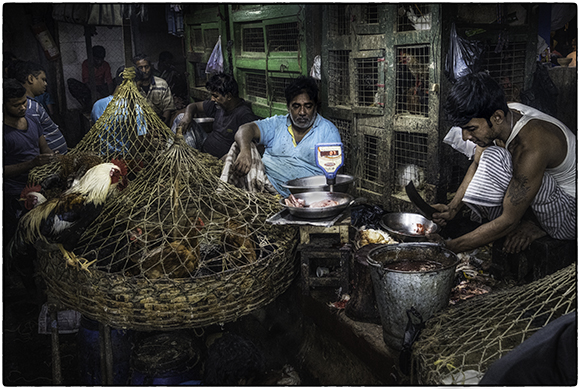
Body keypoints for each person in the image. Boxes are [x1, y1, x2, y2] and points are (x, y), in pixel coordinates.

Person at [429, 72, 576, 254]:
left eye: (471, 129)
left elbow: (509, 220)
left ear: (497, 117)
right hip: (550, 199)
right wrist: (452, 208)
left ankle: (540, 226)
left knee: (500, 159)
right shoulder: (503, 115)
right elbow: (476, 164)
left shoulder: (532, 145)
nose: (465, 136)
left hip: (571, 215)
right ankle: (529, 220)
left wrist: (450, 247)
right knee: (490, 155)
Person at [232, 75, 342, 197]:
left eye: (308, 106)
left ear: (315, 107)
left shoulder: (328, 132)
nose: (302, 112)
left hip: (306, 196)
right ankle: (224, 196)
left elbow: (333, 175)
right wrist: (245, 151)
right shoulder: (277, 124)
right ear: (288, 107)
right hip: (265, 186)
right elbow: (245, 129)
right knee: (239, 146)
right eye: (296, 106)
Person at [3, 79, 58, 293]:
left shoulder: (32, 122)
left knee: (44, 235)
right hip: (15, 193)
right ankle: (25, 285)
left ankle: (45, 276)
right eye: (16, 105)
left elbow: (43, 150)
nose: (23, 107)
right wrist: (31, 164)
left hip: (39, 188)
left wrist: (53, 158)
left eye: (24, 102)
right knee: (22, 242)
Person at [173, 72, 259, 159]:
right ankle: (174, 155)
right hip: (204, 146)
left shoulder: (243, 114)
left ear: (229, 96)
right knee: (181, 118)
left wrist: (229, 157)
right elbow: (193, 106)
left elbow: (251, 146)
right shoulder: (219, 106)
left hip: (219, 158)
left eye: (215, 96)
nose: (212, 99)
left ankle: (187, 160)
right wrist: (187, 116)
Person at [7, 60, 68, 155]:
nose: (45, 84)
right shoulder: (28, 108)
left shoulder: (32, 104)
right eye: (43, 79)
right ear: (31, 78)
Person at [133, 53, 175, 126]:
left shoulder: (162, 84)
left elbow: (168, 108)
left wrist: (161, 126)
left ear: (151, 67)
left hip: (160, 124)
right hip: (139, 126)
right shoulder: (132, 86)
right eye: (140, 68)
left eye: (146, 67)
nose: (144, 70)